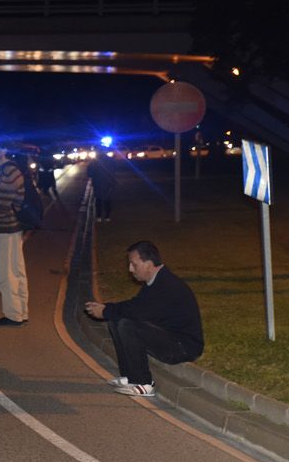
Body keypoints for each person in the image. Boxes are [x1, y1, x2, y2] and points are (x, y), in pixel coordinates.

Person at [85, 240, 204, 397]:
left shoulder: (166, 285)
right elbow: (135, 306)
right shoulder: (156, 281)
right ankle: (130, 377)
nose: (130, 269)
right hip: (170, 337)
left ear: (148, 264)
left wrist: (106, 310)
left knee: (128, 326)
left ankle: (144, 383)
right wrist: (106, 309)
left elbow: (138, 311)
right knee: (117, 320)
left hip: (184, 347)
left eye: (134, 264)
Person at [0, 143, 30, 326]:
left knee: (6, 274)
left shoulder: (8, 171)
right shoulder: (13, 169)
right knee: (17, 272)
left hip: (7, 227)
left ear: (3, 150)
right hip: (15, 227)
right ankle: (21, 312)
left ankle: (13, 315)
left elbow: (3, 202)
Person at [87, 151, 119, 222]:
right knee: (107, 200)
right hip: (109, 182)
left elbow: (89, 173)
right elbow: (115, 169)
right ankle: (107, 217)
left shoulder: (94, 162)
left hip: (98, 183)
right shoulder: (111, 160)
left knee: (98, 200)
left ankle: (98, 216)